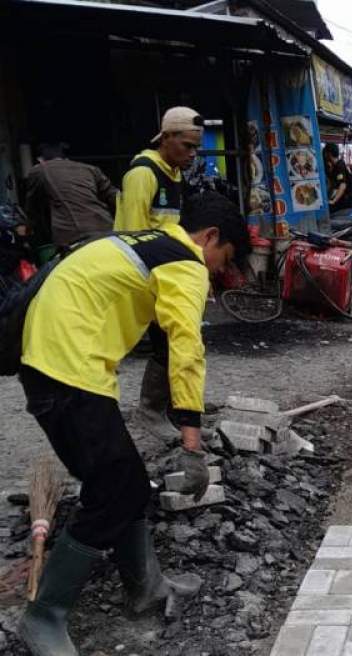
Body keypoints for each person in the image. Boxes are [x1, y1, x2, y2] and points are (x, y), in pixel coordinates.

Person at [17, 191, 250, 656]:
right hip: (67, 372)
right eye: (224, 259)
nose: (219, 271)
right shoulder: (185, 261)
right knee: (112, 493)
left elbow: (165, 339)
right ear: (210, 237)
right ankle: (43, 616)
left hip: (56, 363)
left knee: (127, 482)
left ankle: (146, 586)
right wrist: (191, 442)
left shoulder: (150, 241)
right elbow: (187, 350)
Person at [115, 106, 204, 441]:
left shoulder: (174, 172)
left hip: (170, 274)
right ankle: (150, 411)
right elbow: (132, 234)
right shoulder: (143, 174)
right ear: (166, 138)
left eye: (196, 147)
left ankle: (170, 410)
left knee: (176, 343)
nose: (193, 154)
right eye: (187, 146)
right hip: (148, 276)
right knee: (165, 346)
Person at [24, 142, 117, 261]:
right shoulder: (90, 169)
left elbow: (32, 208)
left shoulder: (39, 170)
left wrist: (27, 228)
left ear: (40, 160)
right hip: (107, 229)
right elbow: (115, 197)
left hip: (73, 236)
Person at [323, 143, 352, 212]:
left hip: (351, 197)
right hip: (346, 195)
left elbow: (342, 185)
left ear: (329, 154)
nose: (324, 156)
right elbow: (333, 186)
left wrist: (333, 201)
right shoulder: (334, 167)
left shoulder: (339, 165)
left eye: (325, 153)